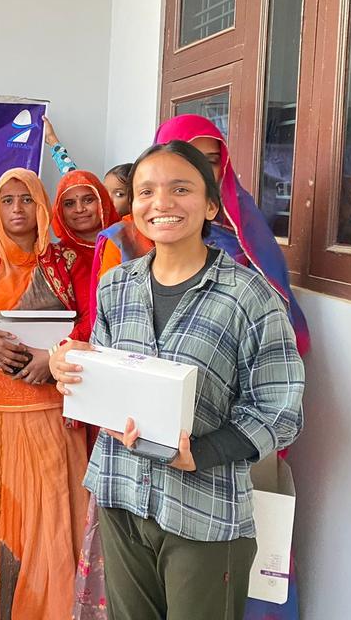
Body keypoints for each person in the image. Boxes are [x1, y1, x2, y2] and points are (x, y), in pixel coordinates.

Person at [51, 140, 305, 620]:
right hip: (121, 494)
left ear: (211, 204)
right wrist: (75, 371)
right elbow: (108, 377)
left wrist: (201, 454)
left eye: (180, 189)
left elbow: (280, 410)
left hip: (203, 511)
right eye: (145, 191)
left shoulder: (249, 296)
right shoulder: (116, 286)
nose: (161, 203)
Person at [0, 168, 89, 620]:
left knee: (48, 516)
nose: (17, 210)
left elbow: (91, 324)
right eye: (7, 201)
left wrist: (56, 355)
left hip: (52, 411)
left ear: (42, 206)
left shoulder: (65, 262)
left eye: (26, 200)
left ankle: (50, 604)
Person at [92, 114, 309, 354]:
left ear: (211, 206)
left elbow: (268, 377)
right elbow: (104, 354)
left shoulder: (248, 268)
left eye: (210, 161)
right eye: (185, 156)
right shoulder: (119, 266)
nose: (163, 203)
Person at [50, 169, 120, 343]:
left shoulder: (127, 243)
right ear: (59, 211)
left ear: (103, 201)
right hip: (70, 355)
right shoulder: (56, 258)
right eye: (69, 204)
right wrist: (57, 352)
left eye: (88, 200)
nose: (80, 209)